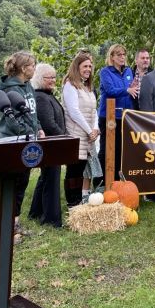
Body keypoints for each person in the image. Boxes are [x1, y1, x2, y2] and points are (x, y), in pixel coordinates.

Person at [0, 51, 45, 239]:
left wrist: (38, 128)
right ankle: (4, 226)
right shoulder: (8, 89)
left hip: (29, 140)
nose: (35, 68)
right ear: (24, 68)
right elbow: (12, 121)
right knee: (11, 185)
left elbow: (32, 113)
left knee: (22, 183)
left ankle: (14, 224)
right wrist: (26, 133)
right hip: (12, 141)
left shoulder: (28, 86)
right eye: (33, 65)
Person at [28, 63, 65, 228]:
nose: (53, 80)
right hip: (51, 145)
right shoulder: (41, 97)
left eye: (54, 77)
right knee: (51, 180)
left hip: (54, 144)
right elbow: (49, 124)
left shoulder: (47, 94)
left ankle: (35, 212)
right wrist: (64, 137)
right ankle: (51, 218)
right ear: (39, 78)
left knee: (45, 178)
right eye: (49, 77)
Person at [63, 52, 101, 206]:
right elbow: (74, 111)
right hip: (76, 134)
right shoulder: (69, 85)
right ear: (77, 67)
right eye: (85, 66)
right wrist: (89, 130)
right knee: (74, 171)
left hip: (88, 136)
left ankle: (80, 201)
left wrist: (96, 128)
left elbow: (94, 110)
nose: (88, 69)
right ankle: (72, 203)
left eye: (90, 66)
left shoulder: (87, 87)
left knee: (82, 170)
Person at [98, 44, 136, 182]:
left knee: (121, 150)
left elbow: (132, 90)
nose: (122, 57)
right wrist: (127, 90)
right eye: (119, 55)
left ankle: (117, 181)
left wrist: (135, 90)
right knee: (107, 150)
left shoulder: (128, 72)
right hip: (109, 117)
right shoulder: (105, 72)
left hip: (125, 117)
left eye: (124, 54)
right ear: (112, 57)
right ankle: (102, 181)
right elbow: (110, 91)